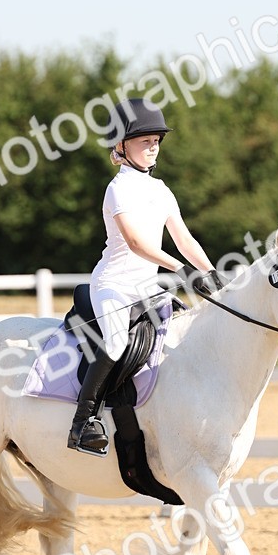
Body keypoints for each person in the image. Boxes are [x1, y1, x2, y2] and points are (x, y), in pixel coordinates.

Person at [67, 97, 223, 457]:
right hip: (114, 286)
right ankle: (82, 423)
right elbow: (137, 243)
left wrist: (212, 273)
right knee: (117, 343)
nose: (153, 148)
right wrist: (182, 271)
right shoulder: (118, 188)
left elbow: (184, 239)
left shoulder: (160, 189)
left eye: (156, 141)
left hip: (146, 287)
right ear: (122, 146)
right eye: (144, 142)